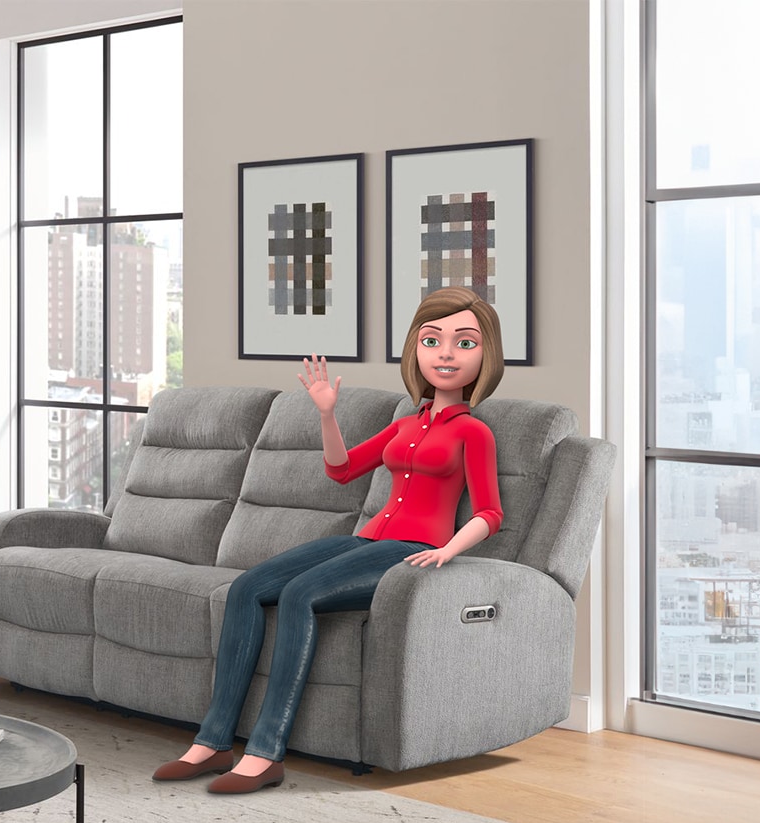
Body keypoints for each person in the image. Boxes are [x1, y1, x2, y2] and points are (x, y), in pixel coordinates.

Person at [151, 286, 506, 794]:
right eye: (432, 340)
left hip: (412, 551)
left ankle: (265, 754)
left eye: (464, 343)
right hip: (365, 540)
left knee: (300, 594)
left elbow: (490, 512)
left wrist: (448, 550)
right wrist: (326, 413)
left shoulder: (474, 432)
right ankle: (212, 742)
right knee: (246, 588)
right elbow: (341, 470)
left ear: (484, 356)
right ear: (416, 349)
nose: (446, 354)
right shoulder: (404, 424)